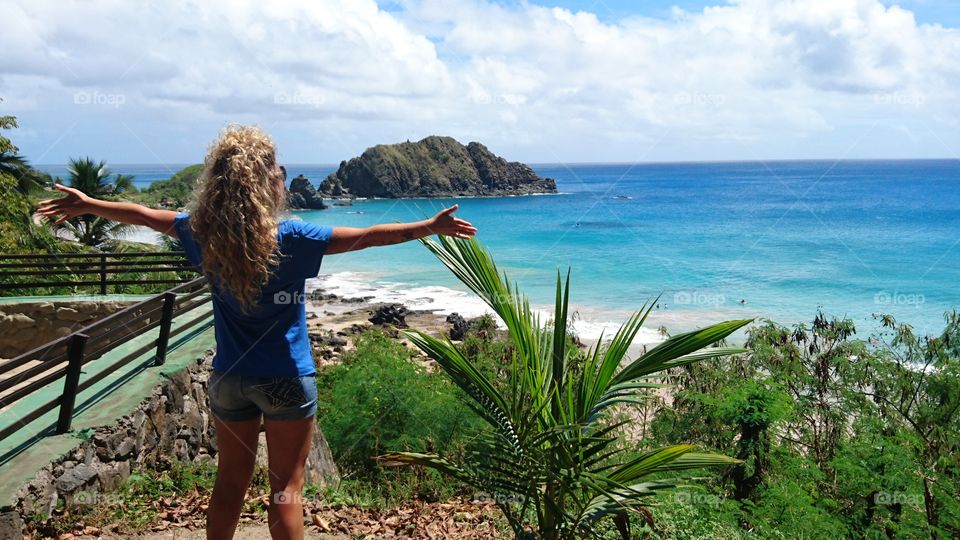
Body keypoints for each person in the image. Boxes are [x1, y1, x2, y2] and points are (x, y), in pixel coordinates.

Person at [36, 125, 477, 540]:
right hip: (286, 376)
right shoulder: (293, 236)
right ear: (268, 183)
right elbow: (366, 237)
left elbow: (144, 215)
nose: (283, 178)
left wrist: (89, 204)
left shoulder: (199, 231)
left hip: (230, 377)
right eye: (278, 171)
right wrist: (428, 228)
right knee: (287, 489)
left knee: (229, 481)